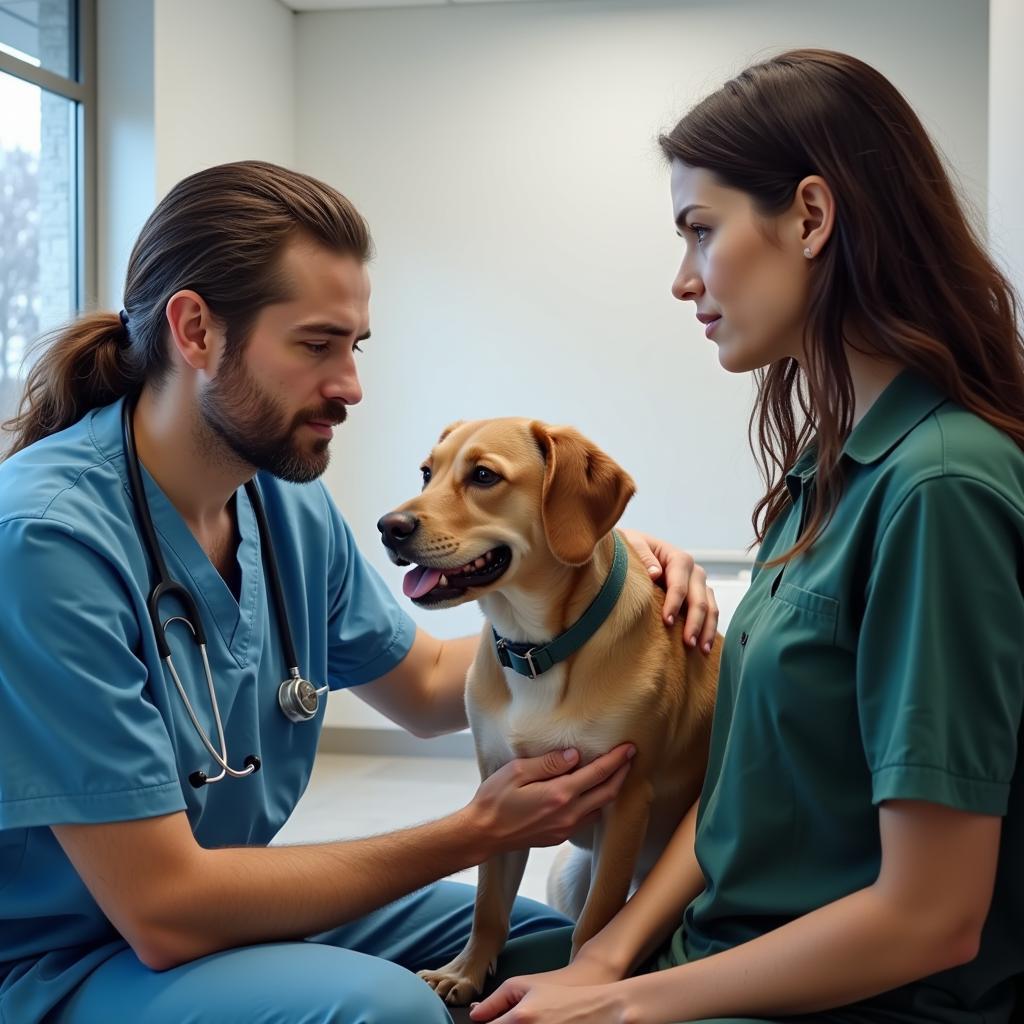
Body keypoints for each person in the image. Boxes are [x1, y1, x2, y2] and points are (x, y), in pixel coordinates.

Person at [0, 161, 719, 1024]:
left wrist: (599, 580)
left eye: (355, 346)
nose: (350, 385)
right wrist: (475, 830)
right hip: (77, 955)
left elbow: (422, 687)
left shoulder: (279, 500)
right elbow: (161, 910)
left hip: (222, 914)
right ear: (195, 331)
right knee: (383, 1011)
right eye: (316, 345)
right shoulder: (45, 540)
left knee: (543, 948)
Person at [467, 48, 1024, 1024]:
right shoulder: (825, 465)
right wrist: (605, 956)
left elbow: (930, 917)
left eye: (700, 231)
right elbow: (731, 794)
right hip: (714, 945)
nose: (684, 281)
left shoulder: (939, 486)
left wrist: (622, 1005)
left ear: (810, 217)